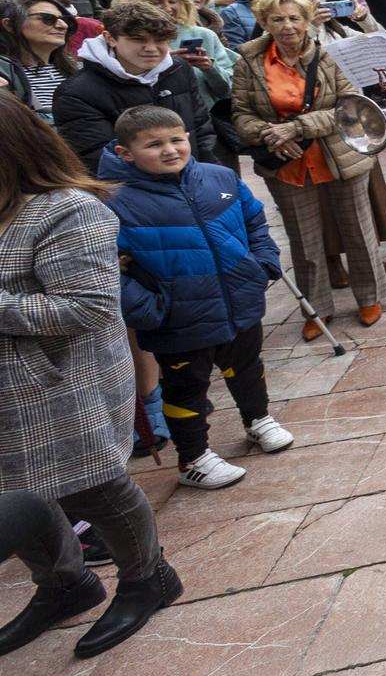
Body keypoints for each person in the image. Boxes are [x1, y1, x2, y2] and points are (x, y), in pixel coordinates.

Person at [0, 102, 179, 659]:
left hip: (61, 382)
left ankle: (148, 578)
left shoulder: (66, 210)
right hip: (10, 385)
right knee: (18, 489)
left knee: (91, 486)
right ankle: (65, 584)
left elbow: (87, 307)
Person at [102, 107, 292, 490]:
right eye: (154, 145)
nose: (170, 150)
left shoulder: (218, 177)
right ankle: (193, 458)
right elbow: (105, 265)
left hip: (239, 299)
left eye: (177, 139)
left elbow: (254, 219)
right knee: (186, 387)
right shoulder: (110, 201)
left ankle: (257, 419)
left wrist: (263, 265)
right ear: (125, 153)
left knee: (247, 366)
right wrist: (147, 307)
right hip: (177, 316)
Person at [231, 0, 385, 336]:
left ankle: (370, 297)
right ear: (263, 23)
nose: (287, 26)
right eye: (278, 19)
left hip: (337, 154)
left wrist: (297, 127)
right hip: (286, 161)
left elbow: (349, 105)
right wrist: (270, 135)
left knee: (358, 231)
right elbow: (240, 113)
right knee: (304, 240)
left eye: (294, 18)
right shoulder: (249, 63)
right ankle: (317, 309)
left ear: (306, 21)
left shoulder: (327, 57)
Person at [54, 1, 219, 170]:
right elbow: (97, 157)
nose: (151, 48)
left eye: (160, 40)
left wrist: (209, 177)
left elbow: (201, 130)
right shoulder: (76, 92)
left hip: (193, 179)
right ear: (110, 38)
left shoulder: (179, 69)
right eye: (139, 40)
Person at [0, 0, 79, 117]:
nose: (63, 26)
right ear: (9, 25)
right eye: (47, 18)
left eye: (64, 20)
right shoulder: (3, 75)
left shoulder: (79, 70)